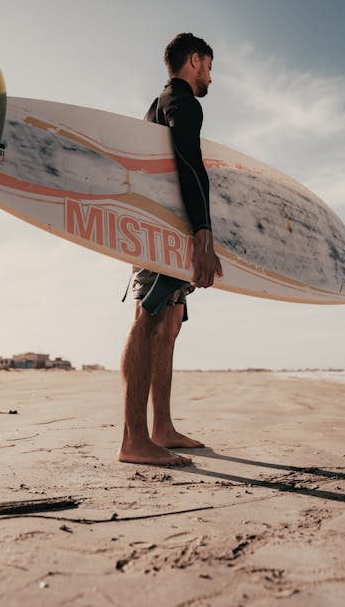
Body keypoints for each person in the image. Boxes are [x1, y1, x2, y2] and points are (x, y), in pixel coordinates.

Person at [119, 33, 222, 466]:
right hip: (167, 231)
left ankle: (161, 426)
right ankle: (134, 439)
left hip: (167, 230)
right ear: (194, 61)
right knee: (151, 317)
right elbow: (188, 160)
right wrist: (203, 232)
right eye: (210, 67)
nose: (211, 79)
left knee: (171, 321)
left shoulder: (159, 106)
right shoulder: (181, 101)